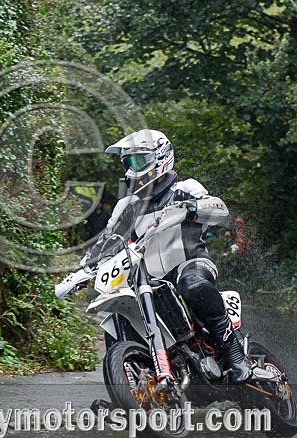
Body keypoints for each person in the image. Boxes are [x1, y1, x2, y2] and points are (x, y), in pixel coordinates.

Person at [82, 129, 252, 382]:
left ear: (160, 157)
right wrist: (82, 270)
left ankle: (234, 354)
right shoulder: (127, 206)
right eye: (128, 163)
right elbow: (106, 241)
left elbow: (220, 210)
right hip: (149, 279)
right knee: (118, 312)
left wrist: (193, 207)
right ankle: (133, 383)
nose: (132, 169)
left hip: (191, 262)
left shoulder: (185, 188)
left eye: (138, 161)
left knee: (192, 285)